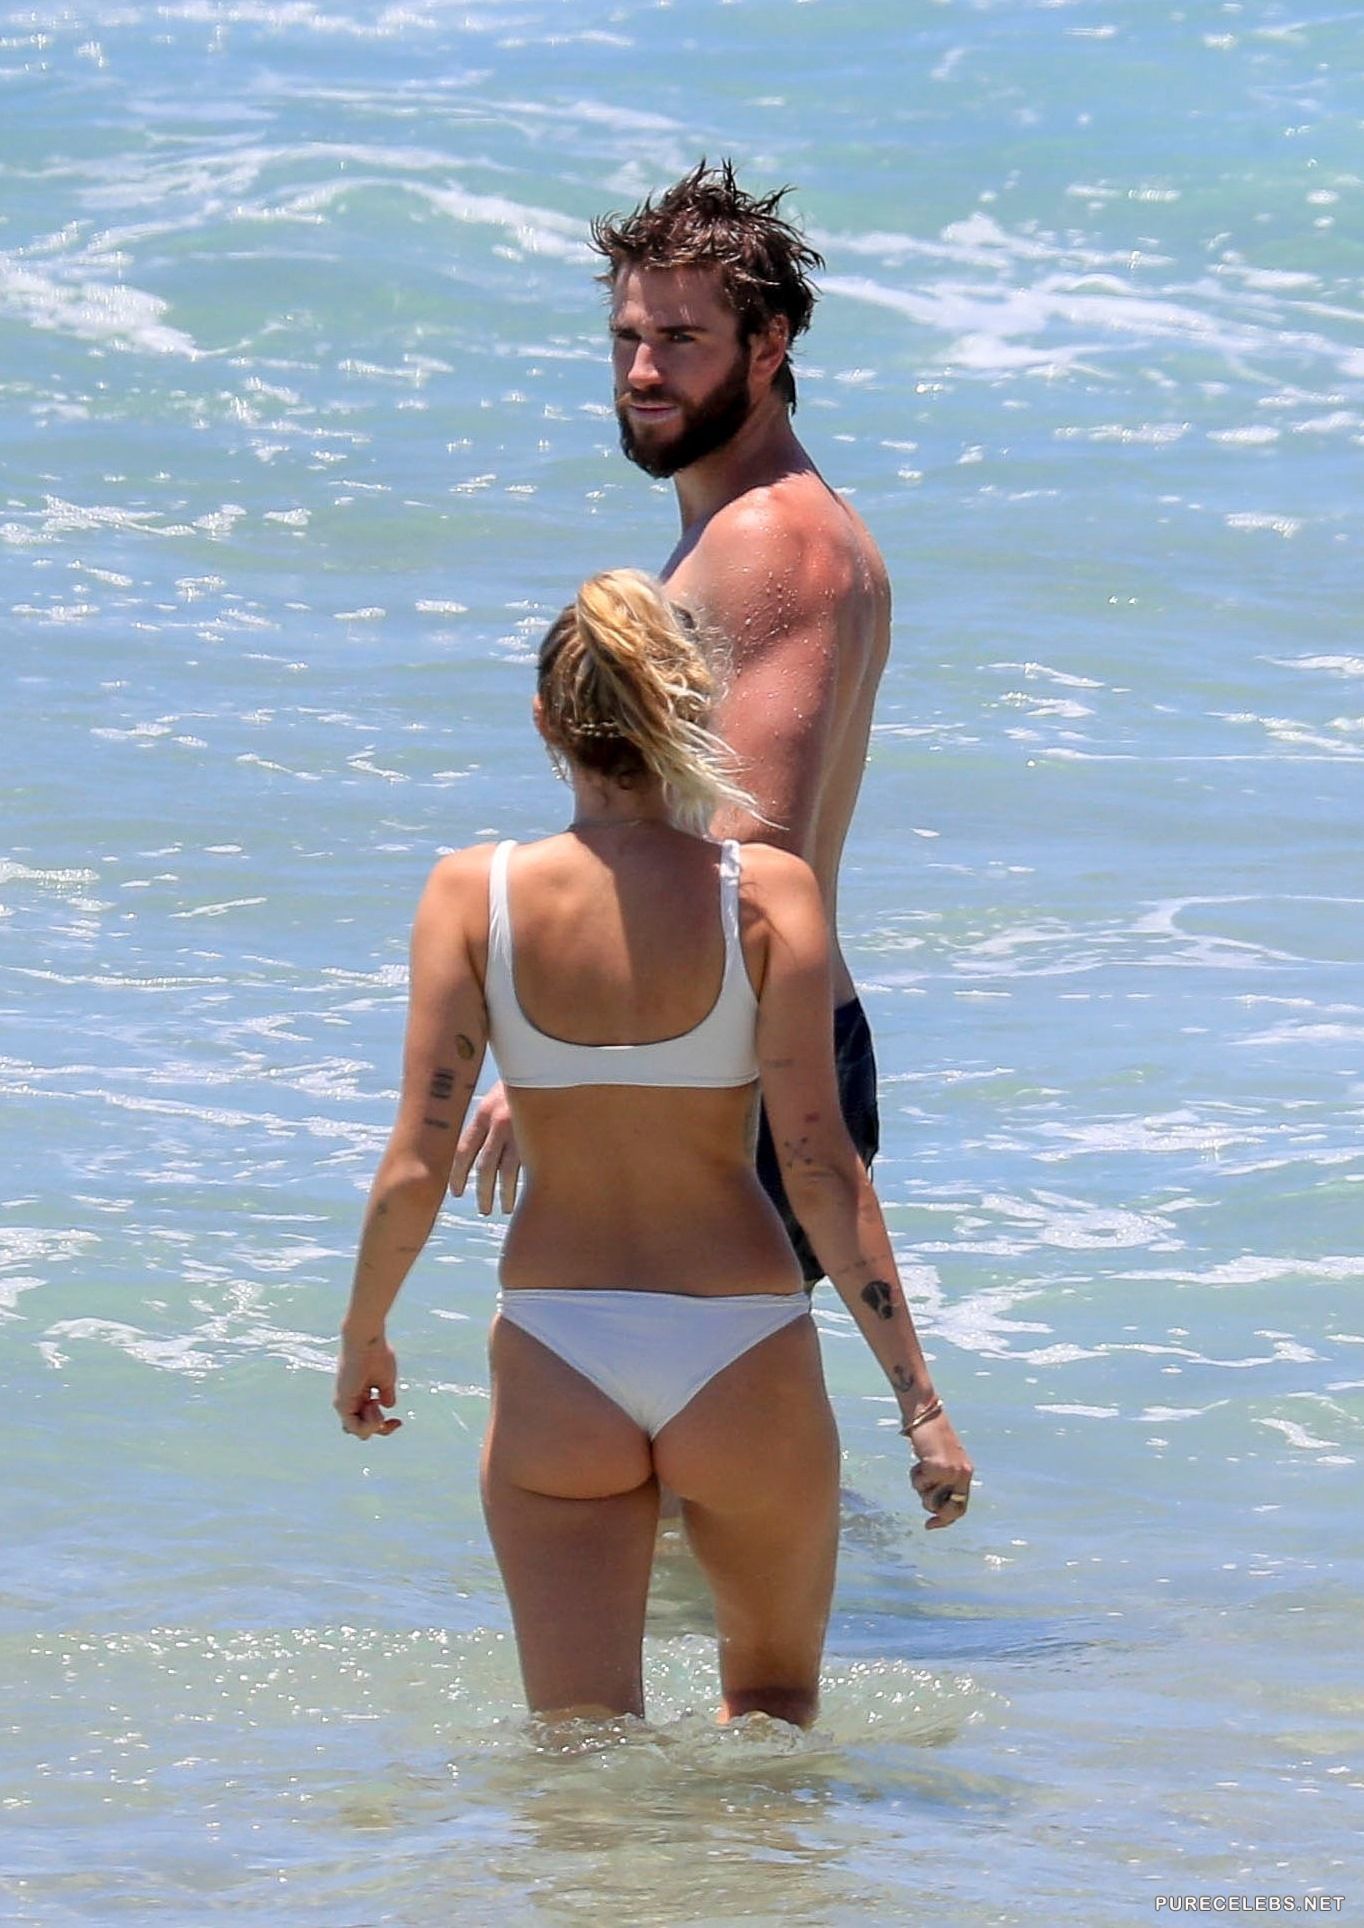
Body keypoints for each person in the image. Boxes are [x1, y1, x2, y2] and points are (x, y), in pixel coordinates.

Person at [335, 571, 971, 1727]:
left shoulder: (471, 895)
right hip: (740, 1341)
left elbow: (416, 1161)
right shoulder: (765, 896)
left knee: (576, 1742)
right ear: (694, 707)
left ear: (544, 719)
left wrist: (365, 1332)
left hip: (556, 1346)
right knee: (771, 1714)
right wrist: (917, 1401)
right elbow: (819, 1165)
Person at [453, 163, 889, 1292]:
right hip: (732, 1049)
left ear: (768, 346)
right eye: (627, 338)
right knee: (685, 1394)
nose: (642, 372)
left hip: (732, 1067)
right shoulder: (755, 524)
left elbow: (755, 853)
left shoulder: (770, 540)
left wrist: (578, 1046)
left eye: (681, 341)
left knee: (665, 1393)